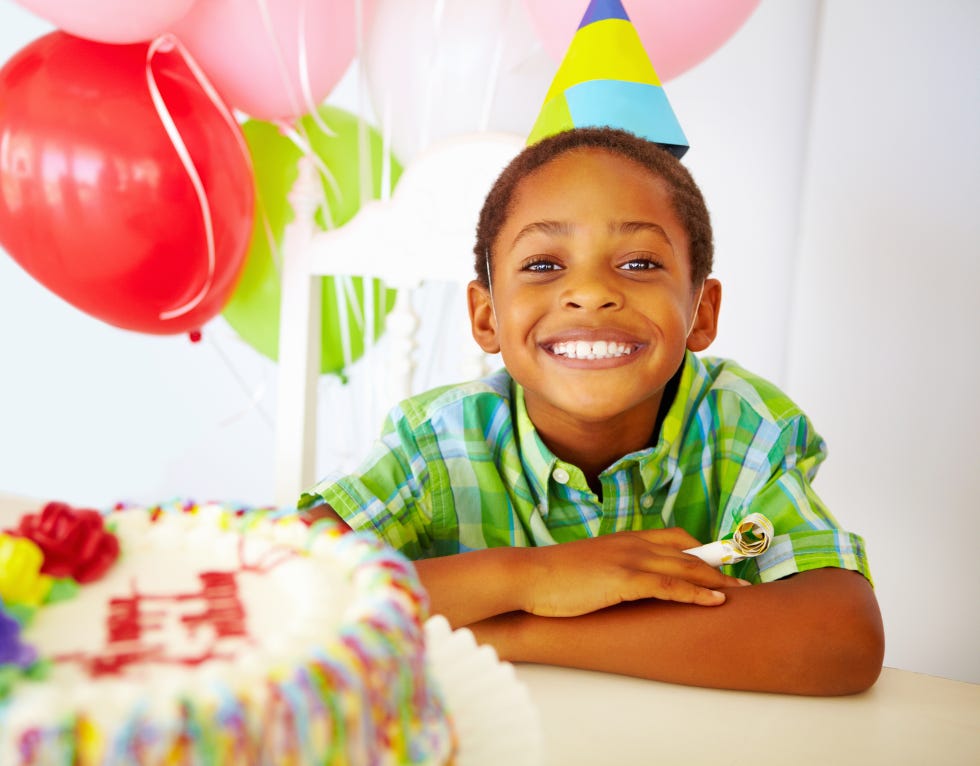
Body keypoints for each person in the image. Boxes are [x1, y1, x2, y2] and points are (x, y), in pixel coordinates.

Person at [300, 127, 884, 696]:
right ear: (486, 317)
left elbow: (842, 639)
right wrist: (531, 576)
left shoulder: (743, 425)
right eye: (543, 264)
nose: (590, 292)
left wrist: (516, 630)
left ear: (701, 311)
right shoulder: (435, 442)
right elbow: (284, 584)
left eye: (638, 264)